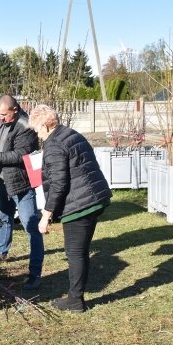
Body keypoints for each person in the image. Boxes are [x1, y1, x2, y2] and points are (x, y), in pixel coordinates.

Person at [28, 104, 112, 313]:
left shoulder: (54, 145)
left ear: (45, 125)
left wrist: (45, 216)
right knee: (80, 251)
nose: (36, 134)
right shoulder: (71, 134)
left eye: (37, 129)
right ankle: (76, 295)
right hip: (94, 198)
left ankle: (75, 300)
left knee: (75, 253)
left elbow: (59, 184)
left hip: (80, 204)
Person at [0, 95, 44, 290]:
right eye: (0, 115)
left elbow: (20, 155)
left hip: (22, 184)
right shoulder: (2, 122)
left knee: (31, 226)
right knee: (4, 218)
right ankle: (1, 252)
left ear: (15, 109)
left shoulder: (26, 126)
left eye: (4, 114)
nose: (1, 118)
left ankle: (35, 273)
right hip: (4, 180)